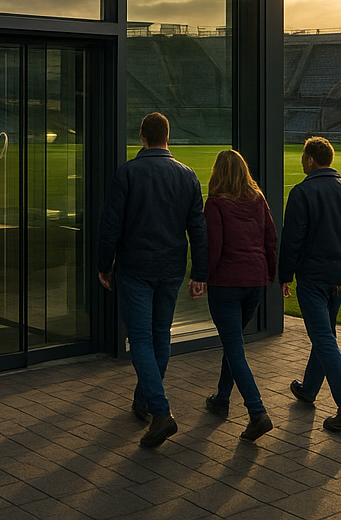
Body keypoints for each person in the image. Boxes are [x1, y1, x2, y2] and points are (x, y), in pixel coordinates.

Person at [97, 112, 208, 448]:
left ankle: (160, 411)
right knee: (160, 336)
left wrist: (105, 265)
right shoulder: (187, 175)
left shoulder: (128, 172)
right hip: (171, 268)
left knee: (142, 339)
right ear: (167, 138)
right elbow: (198, 230)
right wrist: (200, 273)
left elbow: (110, 225)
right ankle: (145, 401)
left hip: (135, 268)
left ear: (142, 137)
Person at [280, 136, 341, 432]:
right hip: (339, 277)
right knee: (325, 334)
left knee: (323, 338)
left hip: (313, 277)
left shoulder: (302, 192)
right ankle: (309, 388)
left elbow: (292, 240)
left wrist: (285, 275)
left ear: (310, 160)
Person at [203, 149, 278, 441]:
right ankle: (221, 398)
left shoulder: (216, 203)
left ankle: (257, 411)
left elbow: (214, 247)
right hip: (255, 282)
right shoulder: (258, 199)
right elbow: (270, 239)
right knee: (232, 342)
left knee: (234, 346)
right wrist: (268, 274)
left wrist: (202, 277)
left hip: (226, 283)